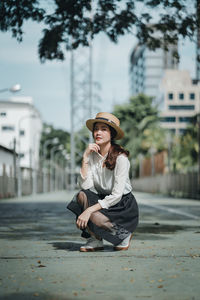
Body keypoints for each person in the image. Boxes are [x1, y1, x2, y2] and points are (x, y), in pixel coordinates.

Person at [67, 112, 139, 252]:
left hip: (123, 204)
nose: (98, 132)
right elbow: (85, 187)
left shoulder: (121, 158)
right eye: (96, 129)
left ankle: (122, 233)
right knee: (81, 195)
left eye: (103, 129)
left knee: (92, 213)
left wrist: (88, 210)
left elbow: (117, 195)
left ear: (111, 134)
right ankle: (95, 239)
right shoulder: (93, 156)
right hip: (104, 199)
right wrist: (85, 158)